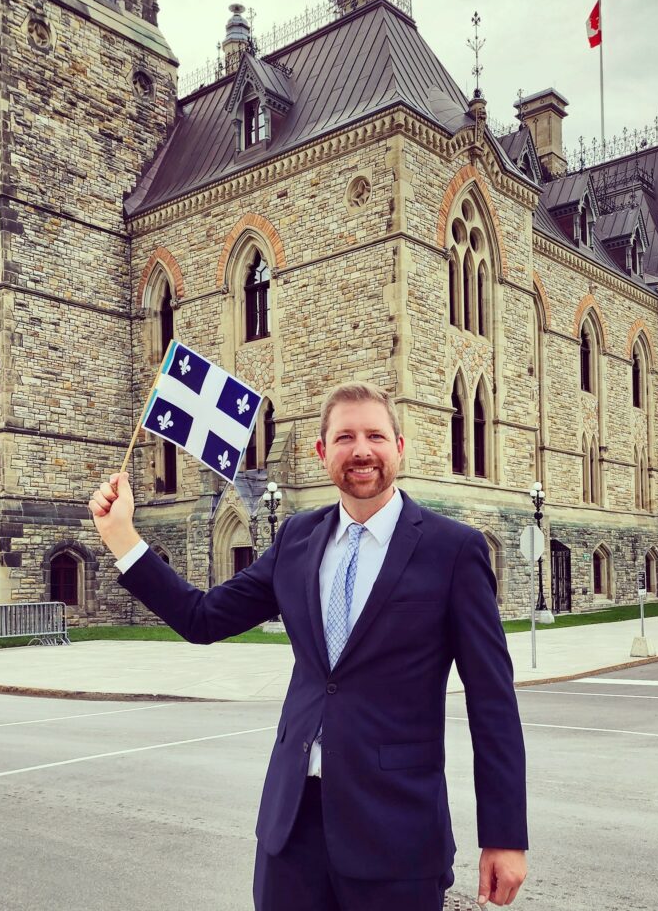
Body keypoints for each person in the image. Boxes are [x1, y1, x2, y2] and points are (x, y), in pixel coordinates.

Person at [90, 381, 528, 910]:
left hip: (397, 834)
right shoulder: (297, 538)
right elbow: (202, 618)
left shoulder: (452, 549)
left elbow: (493, 701)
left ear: (399, 447)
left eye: (375, 436)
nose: (361, 450)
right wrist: (124, 540)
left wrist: (504, 836)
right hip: (291, 830)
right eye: (344, 437)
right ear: (323, 453)